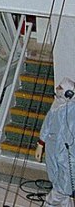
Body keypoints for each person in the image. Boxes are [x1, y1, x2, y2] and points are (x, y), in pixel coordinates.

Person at [36, 77, 75, 207]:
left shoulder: (72, 109)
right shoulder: (56, 105)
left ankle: (49, 203)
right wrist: (40, 144)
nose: (57, 89)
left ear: (69, 93)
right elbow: (47, 125)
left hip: (67, 153)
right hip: (52, 149)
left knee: (64, 184)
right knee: (55, 178)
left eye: (60, 88)